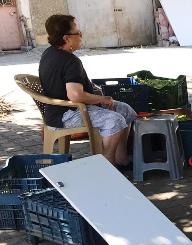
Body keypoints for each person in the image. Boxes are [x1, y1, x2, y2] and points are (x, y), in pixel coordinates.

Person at [38, 14, 136, 166]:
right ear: (66, 38)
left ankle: (121, 158)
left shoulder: (48, 53)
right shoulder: (71, 61)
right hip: (66, 114)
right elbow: (75, 95)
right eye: (78, 33)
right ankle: (108, 164)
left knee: (125, 110)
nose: (81, 36)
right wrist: (102, 99)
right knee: (115, 120)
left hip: (59, 110)